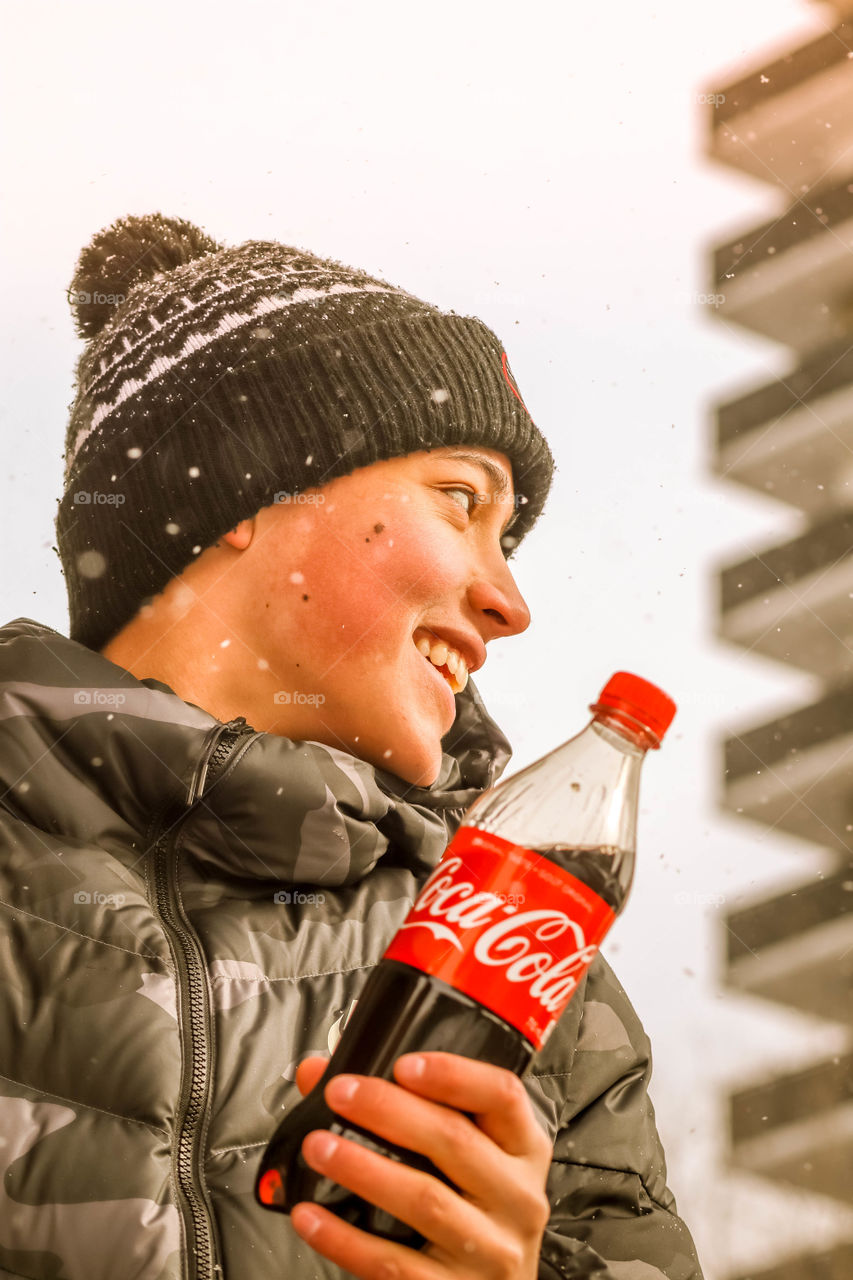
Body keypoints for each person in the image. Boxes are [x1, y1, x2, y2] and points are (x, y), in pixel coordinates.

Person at [0, 213, 704, 1280]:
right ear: (242, 489)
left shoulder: (516, 962)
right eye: (460, 501)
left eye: (506, 538)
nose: (509, 601)